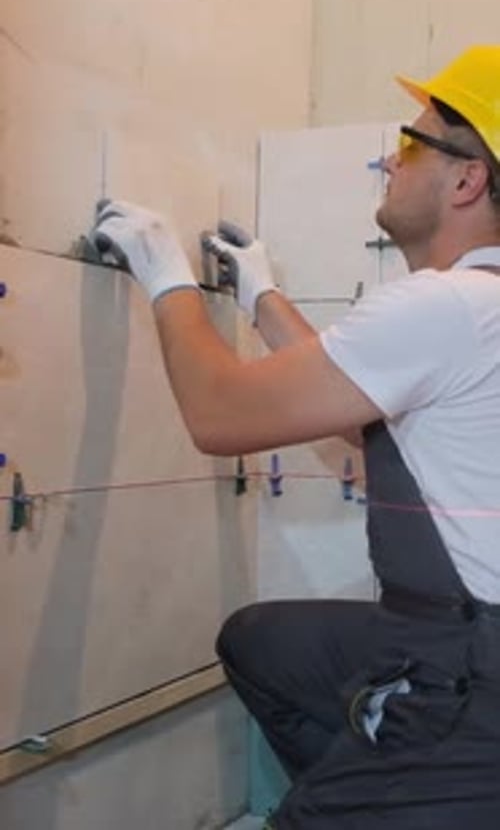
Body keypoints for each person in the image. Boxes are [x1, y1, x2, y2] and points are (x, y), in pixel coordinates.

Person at [92, 45, 500, 828]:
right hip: (455, 645)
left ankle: (393, 799)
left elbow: (220, 415)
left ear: (466, 178)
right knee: (266, 642)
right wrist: (261, 294)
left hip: (474, 687)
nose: (390, 158)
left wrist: (165, 272)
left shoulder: (450, 307)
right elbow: (355, 405)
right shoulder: (475, 311)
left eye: (412, 144)